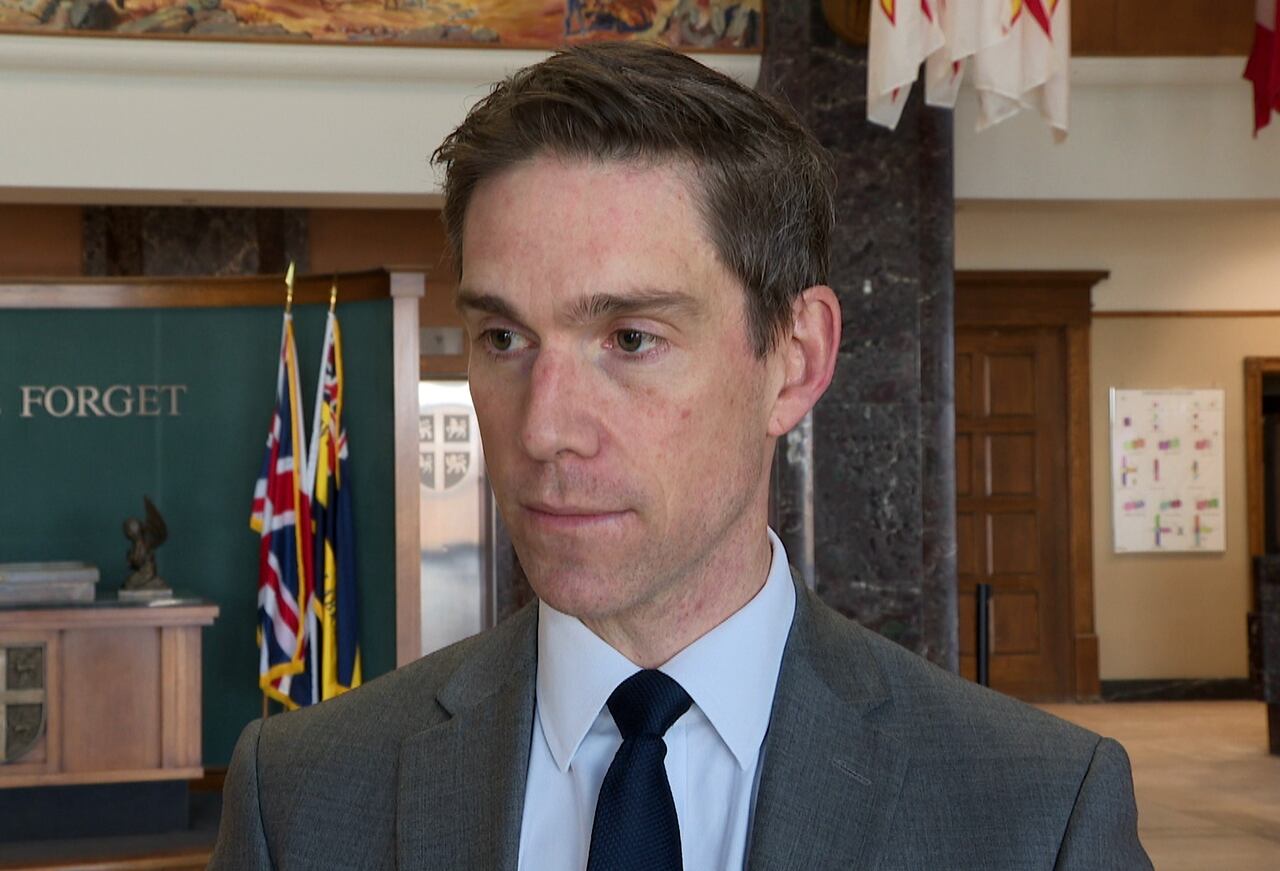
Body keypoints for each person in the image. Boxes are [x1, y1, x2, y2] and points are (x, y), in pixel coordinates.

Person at [210, 42, 1152, 870]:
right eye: (503, 338)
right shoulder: (299, 796)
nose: (544, 429)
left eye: (629, 338)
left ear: (795, 361)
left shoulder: (1037, 814)